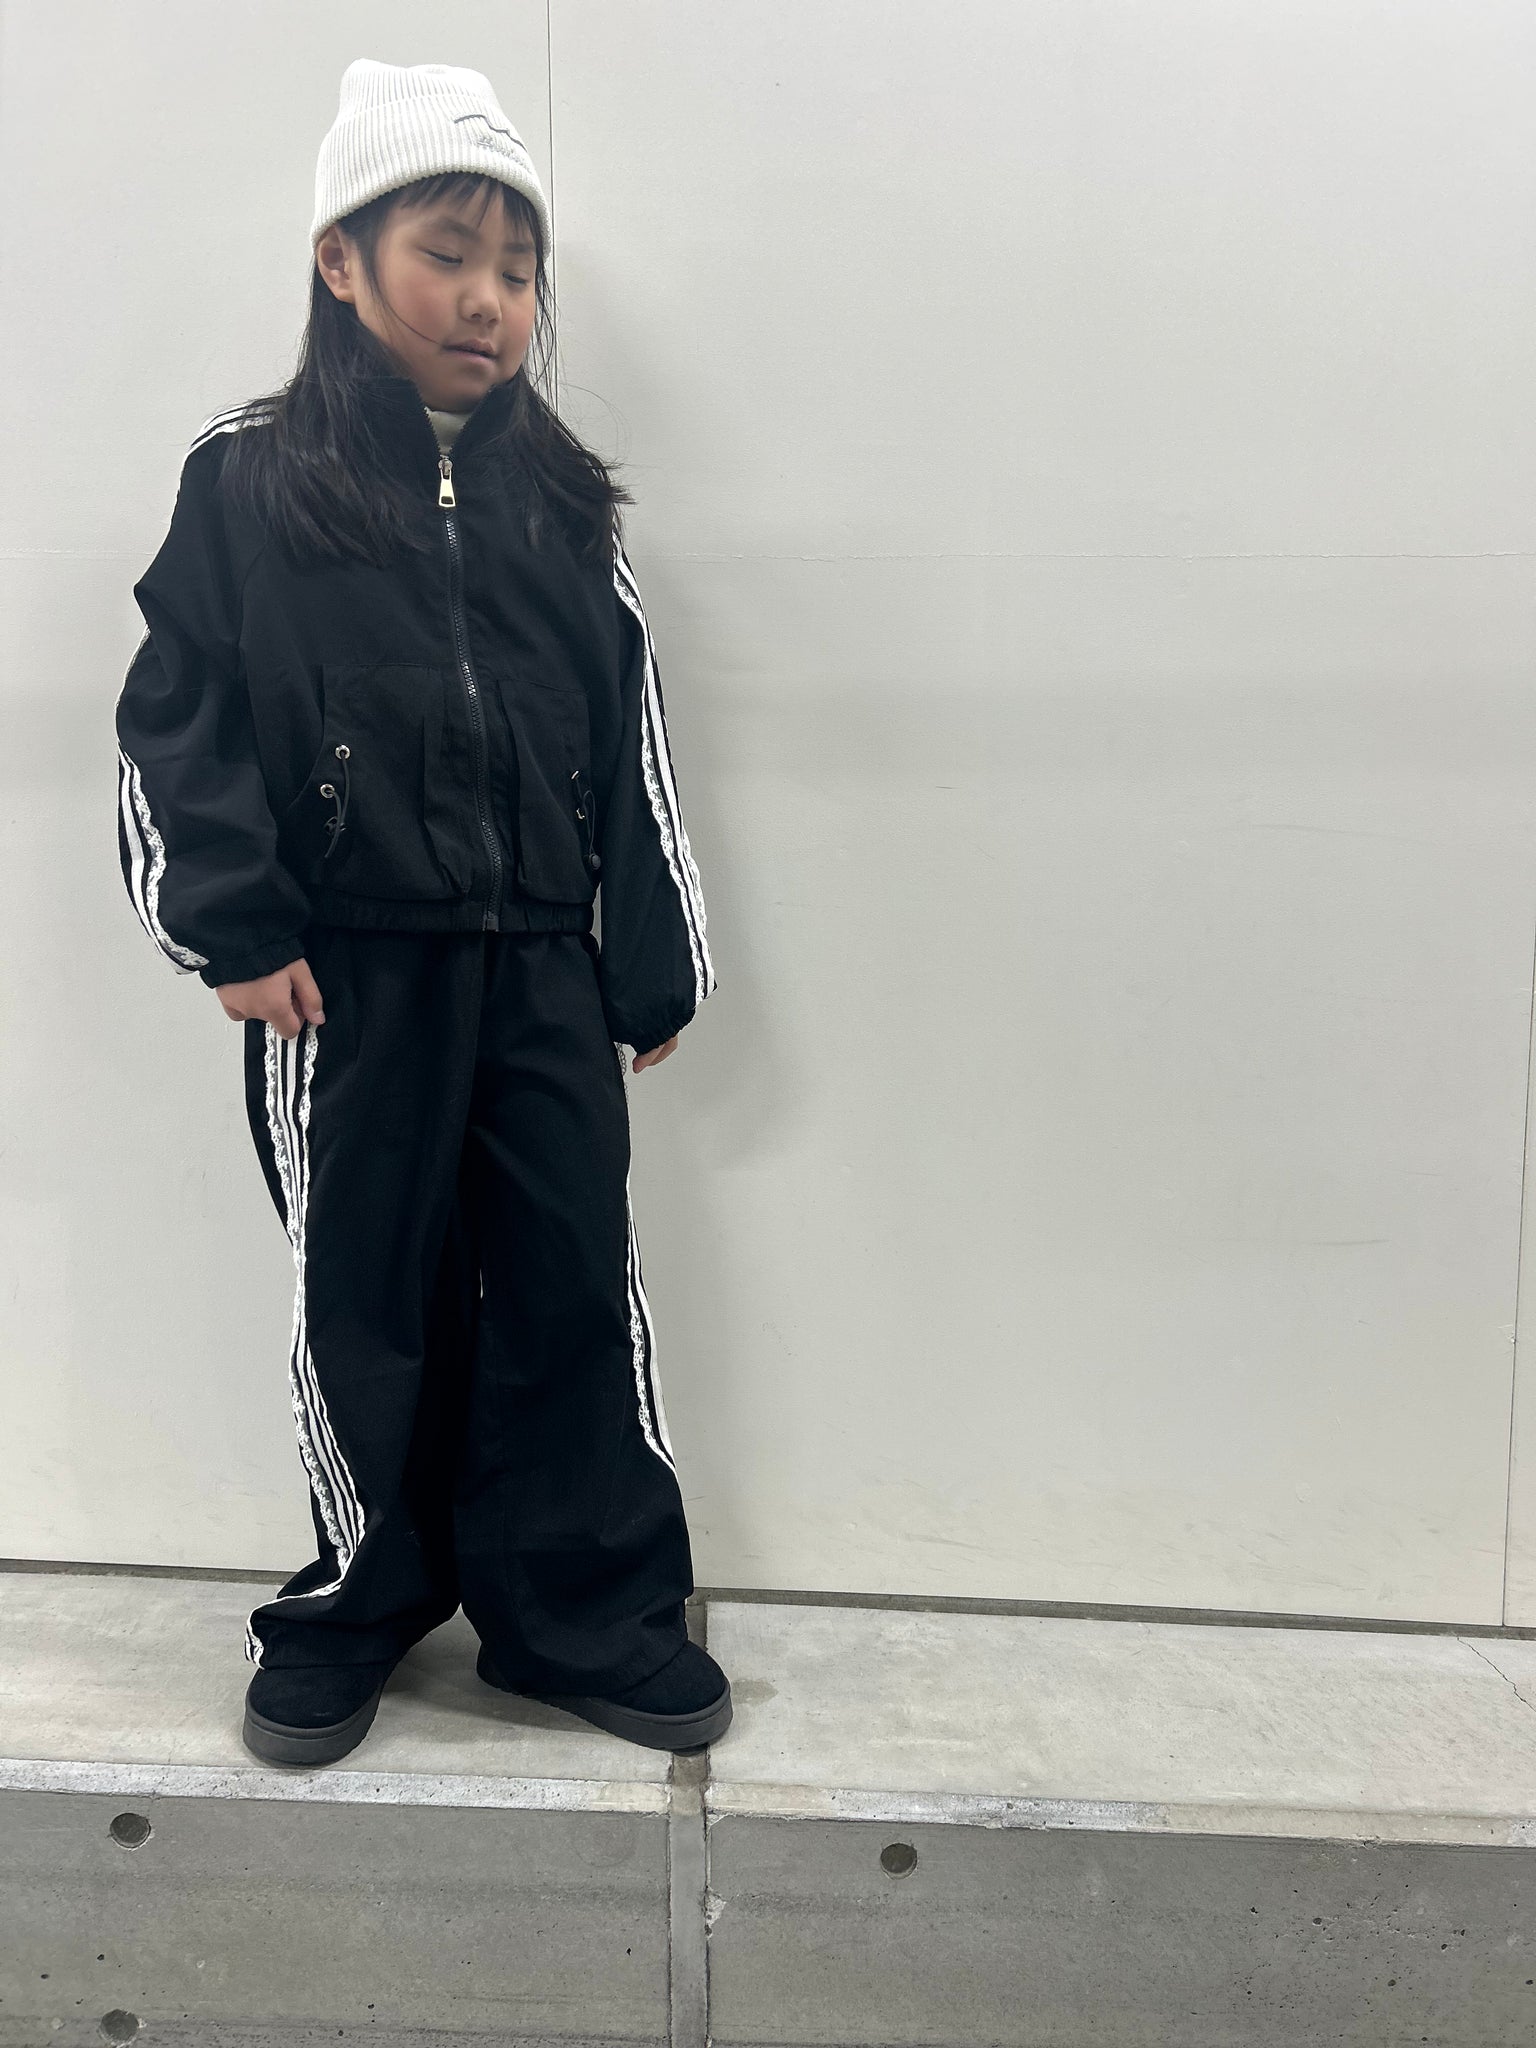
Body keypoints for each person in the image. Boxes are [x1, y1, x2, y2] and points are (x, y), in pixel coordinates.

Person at [113, 56, 729, 1769]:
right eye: (449, 254)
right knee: (365, 1294)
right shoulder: (248, 478)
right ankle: (359, 1601)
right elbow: (176, 717)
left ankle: (577, 1614)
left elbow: (626, 725)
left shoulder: (560, 499)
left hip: (538, 963)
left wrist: (648, 950)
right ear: (342, 260)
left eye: (517, 269)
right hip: (343, 978)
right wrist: (234, 927)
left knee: (567, 1285)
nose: (488, 300)